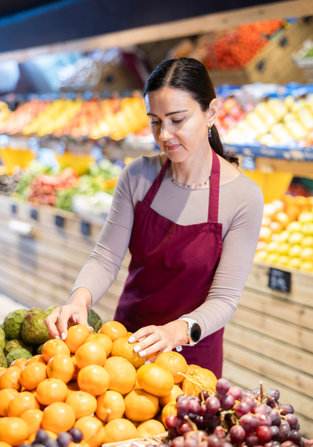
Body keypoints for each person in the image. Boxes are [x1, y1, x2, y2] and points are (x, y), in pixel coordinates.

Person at [45, 57, 264, 378]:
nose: (165, 135)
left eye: (177, 119)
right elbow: (106, 257)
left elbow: (224, 299)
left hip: (191, 354)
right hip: (126, 346)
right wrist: (79, 301)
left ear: (212, 113)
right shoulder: (137, 176)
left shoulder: (243, 196)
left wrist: (175, 331)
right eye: (155, 121)